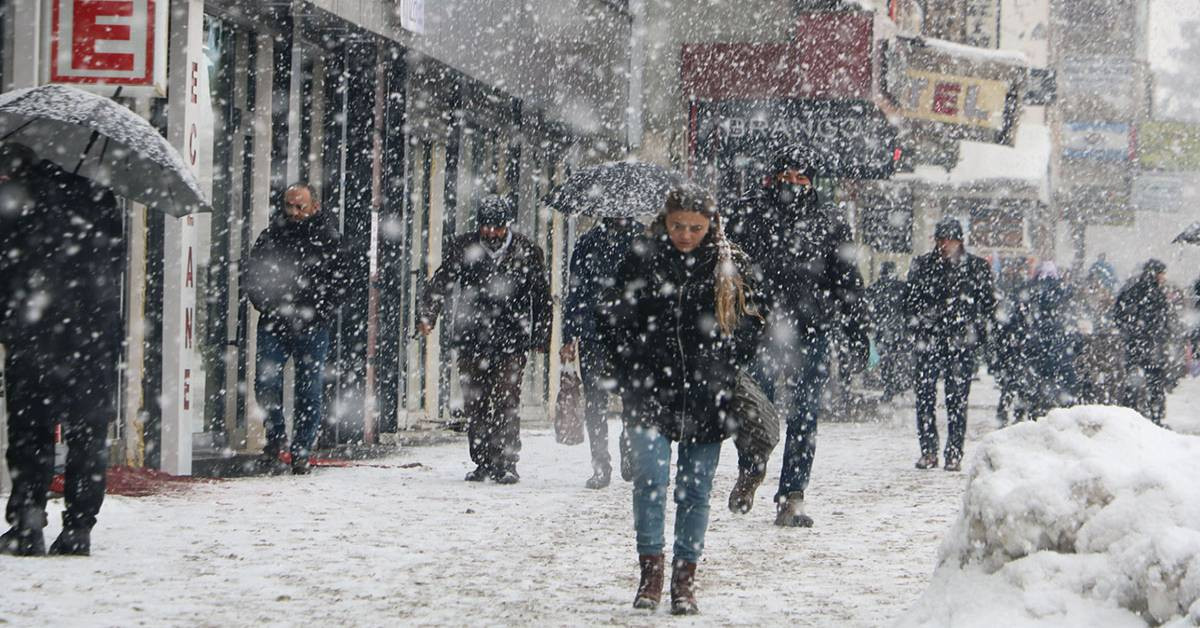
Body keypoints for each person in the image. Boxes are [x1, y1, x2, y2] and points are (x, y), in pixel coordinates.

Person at [599, 183, 764, 615]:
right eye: (677, 226)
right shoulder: (643, 257)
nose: (685, 235)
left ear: (710, 225)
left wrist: (727, 352)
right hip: (650, 389)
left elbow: (755, 320)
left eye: (695, 227)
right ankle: (650, 569)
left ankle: (684, 577)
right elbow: (613, 314)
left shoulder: (730, 263)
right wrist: (630, 359)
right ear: (665, 221)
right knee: (650, 480)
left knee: (695, 490)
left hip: (708, 393)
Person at [724, 145, 869, 526]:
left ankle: (792, 495)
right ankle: (752, 470)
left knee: (804, 415)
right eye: (786, 176)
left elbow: (849, 283)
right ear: (773, 178)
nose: (793, 184)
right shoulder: (749, 214)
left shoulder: (830, 222)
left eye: (801, 177)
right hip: (761, 329)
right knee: (757, 409)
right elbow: (730, 272)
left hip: (811, 330)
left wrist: (856, 332)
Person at [0, 142, 124, 556]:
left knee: (29, 434)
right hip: (91, 338)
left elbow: (6, 269)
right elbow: (112, 264)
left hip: (32, 335)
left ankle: (26, 525)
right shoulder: (100, 197)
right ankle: (78, 529)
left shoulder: (17, 201)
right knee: (87, 437)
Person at [418, 195, 552, 484]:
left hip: (511, 337)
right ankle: (482, 460)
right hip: (472, 336)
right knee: (475, 402)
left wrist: (541, 334)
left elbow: (541, 296)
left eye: (497, 227)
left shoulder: (526, 250)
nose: (491, 233)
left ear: (507, 226)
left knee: (506, 398)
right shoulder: (464, 246)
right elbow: (443, 281)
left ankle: (507, 460)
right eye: (486, 227)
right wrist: (429, 313)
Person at [245, 183, 348, 475]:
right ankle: (276, 439)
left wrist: (320, 311)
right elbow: (253, 273)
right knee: (266, 383)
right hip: (275, 321)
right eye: (289, 205)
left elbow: (341, 282)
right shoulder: (272, 236)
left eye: (300, 206)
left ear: (315, 206)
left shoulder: (329, 239)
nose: (294, 212)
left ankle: (301, 450)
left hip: (312, 325)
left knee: (310, 388)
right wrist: (265, 304)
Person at [904, 217, 995, 472]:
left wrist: (975, 332)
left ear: (959, 241)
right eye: (941, 240)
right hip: (930, 338)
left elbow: (987, 304)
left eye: (950, 240)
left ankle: (954, 451)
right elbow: (909, 302)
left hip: (960, 340)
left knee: (957, 399)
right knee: (925, 397)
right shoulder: (923, 265)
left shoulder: (976, 267)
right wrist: (920, 324)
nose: (945, 245)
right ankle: (929, 450)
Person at [560, 216, 643, 489]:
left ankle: (629, 447)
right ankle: (600, 465)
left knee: (634, 399)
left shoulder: (644, 241)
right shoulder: (588, 243)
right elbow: (575, 290)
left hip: (631, 334)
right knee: (595, 401)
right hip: (595, 332)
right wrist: (569, 334)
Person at [1112, 259, 1173, 426]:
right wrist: (1160, 333)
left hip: (1134, 342)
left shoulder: (1131, 289)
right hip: (1151, 344)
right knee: (1155, 381)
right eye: (1162, 274)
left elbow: (1118, 313)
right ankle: (1155, 417)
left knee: (1133, 380)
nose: (1164, 278)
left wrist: (1129, 331)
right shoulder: (1156, 293)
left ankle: (1128, 415)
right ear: (1156, 274)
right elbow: (1163, 319)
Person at [866, 261, 910, 404]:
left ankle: (890, 387)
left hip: (883, 329)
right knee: (898, 359)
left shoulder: (875, 288)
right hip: (897, 329)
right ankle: (897, 385)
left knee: (887, 360)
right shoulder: (902, 287)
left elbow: (868, 307)